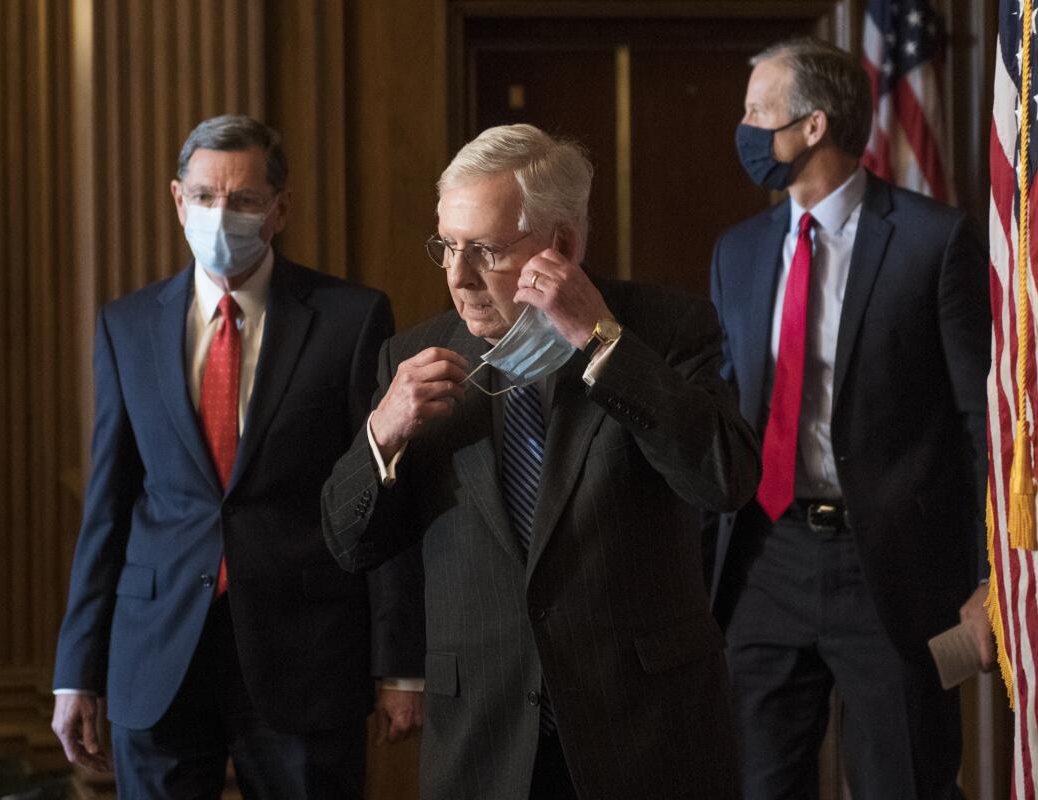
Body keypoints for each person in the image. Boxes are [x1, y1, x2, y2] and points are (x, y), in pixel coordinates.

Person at [321, 123, 758, 800]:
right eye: (447, 246)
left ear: (561, 246)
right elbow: (348, 543)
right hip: (484, 747)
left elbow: (725, 479)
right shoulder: (411, 356)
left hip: (642, 738)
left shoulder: (668, 331)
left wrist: (603, 345)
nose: (458, 277)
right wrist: (382, 433)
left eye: (484, 250)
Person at [51, 114, 424, 799]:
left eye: (245, 200)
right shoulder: (125, 326)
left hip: (305, 654)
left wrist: (399, 665)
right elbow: (108, 506)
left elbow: (381, 493)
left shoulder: (351, 318)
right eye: (204, 196)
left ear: (280, 210)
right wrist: (77, 669)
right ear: (177, 199)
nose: (221, 214)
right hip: (158, 652)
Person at [708, 38, 993, 799]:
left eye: (756, 112)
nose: (742, 128)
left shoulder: (934, 241)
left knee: (904, 781)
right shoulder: (736, 253)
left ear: (812, 126)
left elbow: (982, 422)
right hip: (766, 559)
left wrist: (993, 575)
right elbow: (727, 415)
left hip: (894, 570)